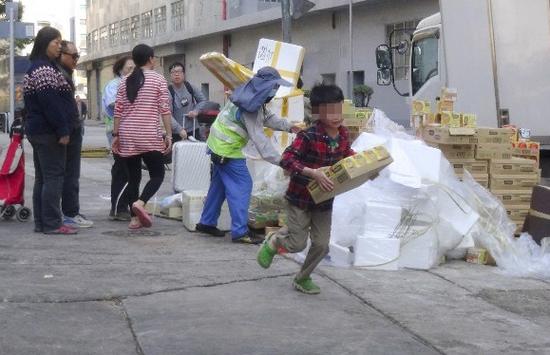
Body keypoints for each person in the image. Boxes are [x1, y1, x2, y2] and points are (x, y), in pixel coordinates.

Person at [256, 84, 354, 295]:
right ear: (318, 112)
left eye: (338, 109)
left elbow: (347, 155)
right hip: (300, 199)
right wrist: (313, 172)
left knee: (321, 245)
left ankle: (302, 277)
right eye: (329, 111)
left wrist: (366, 168)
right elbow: (287, 161)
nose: (336, 116)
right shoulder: (308, 136)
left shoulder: (344, 134)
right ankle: (274, 241)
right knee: (297, 244)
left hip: (324, 200)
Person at [196, 67, 301, 244]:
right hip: (227, 150)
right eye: (274, 87)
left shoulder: (246, 94)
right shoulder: (250, 106)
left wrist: (290, 126)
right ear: (265, 86)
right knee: (243, 185)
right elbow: (260, 139)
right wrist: (282, 161)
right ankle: (240, 232)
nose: (275, 91)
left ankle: (206, 222)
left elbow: (267, 118)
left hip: (217, 146)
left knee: (219, 185)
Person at [111, 44, 172, 229]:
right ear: (151, 59)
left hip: (128, 134)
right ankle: (141, 203)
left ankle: (134, 219)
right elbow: (165, 108)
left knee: (133, 178)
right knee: (158, 174)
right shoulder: (158, 79)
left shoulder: (125, 80)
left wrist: (116, 134)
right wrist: (168, 133)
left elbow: (118, 110)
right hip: (148, 134)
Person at [23, 27, 77, 235]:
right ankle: (53, 223)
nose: (59, 47)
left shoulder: (36, 67)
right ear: (45, 43)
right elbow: (50, 103)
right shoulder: (44, 69)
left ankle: (42, 223)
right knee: (54, 177)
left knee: (43, 178)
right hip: (48, 132)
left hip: (39, 131)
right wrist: (63, 129)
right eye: (56, 42)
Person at [55, 40, 94, 228]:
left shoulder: (64, 73)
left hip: (70, 130)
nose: (76, 60)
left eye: (78, 56)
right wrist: (66, 130)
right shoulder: (58, 75)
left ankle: (68, 211)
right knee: (69, 174)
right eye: (73, 56)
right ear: (60, 55)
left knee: (68, 174)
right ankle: (69, 212)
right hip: (67, 132)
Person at [101, 56, 135, 220]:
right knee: (122, 169)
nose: (132, 71)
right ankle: (118, 208)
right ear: (120, 69)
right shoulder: (114, 85)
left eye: (135, 68)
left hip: (131, 131)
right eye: (129, 68)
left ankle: (128, 206)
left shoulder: (132, 84)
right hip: (117, 133)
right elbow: (114, 104)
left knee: (130, 169)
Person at [167, 62, 207, 141]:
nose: (176, 74)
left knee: (196, 152)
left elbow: (203, 100)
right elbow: (167, 114)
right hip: (177, 133)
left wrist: (196, 111)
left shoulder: (190, 87)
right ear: (170, 75)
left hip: (194, 129)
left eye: (179, 72)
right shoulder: (168, 92)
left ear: (184, 74)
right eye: (173, 72)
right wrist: (179, 129)